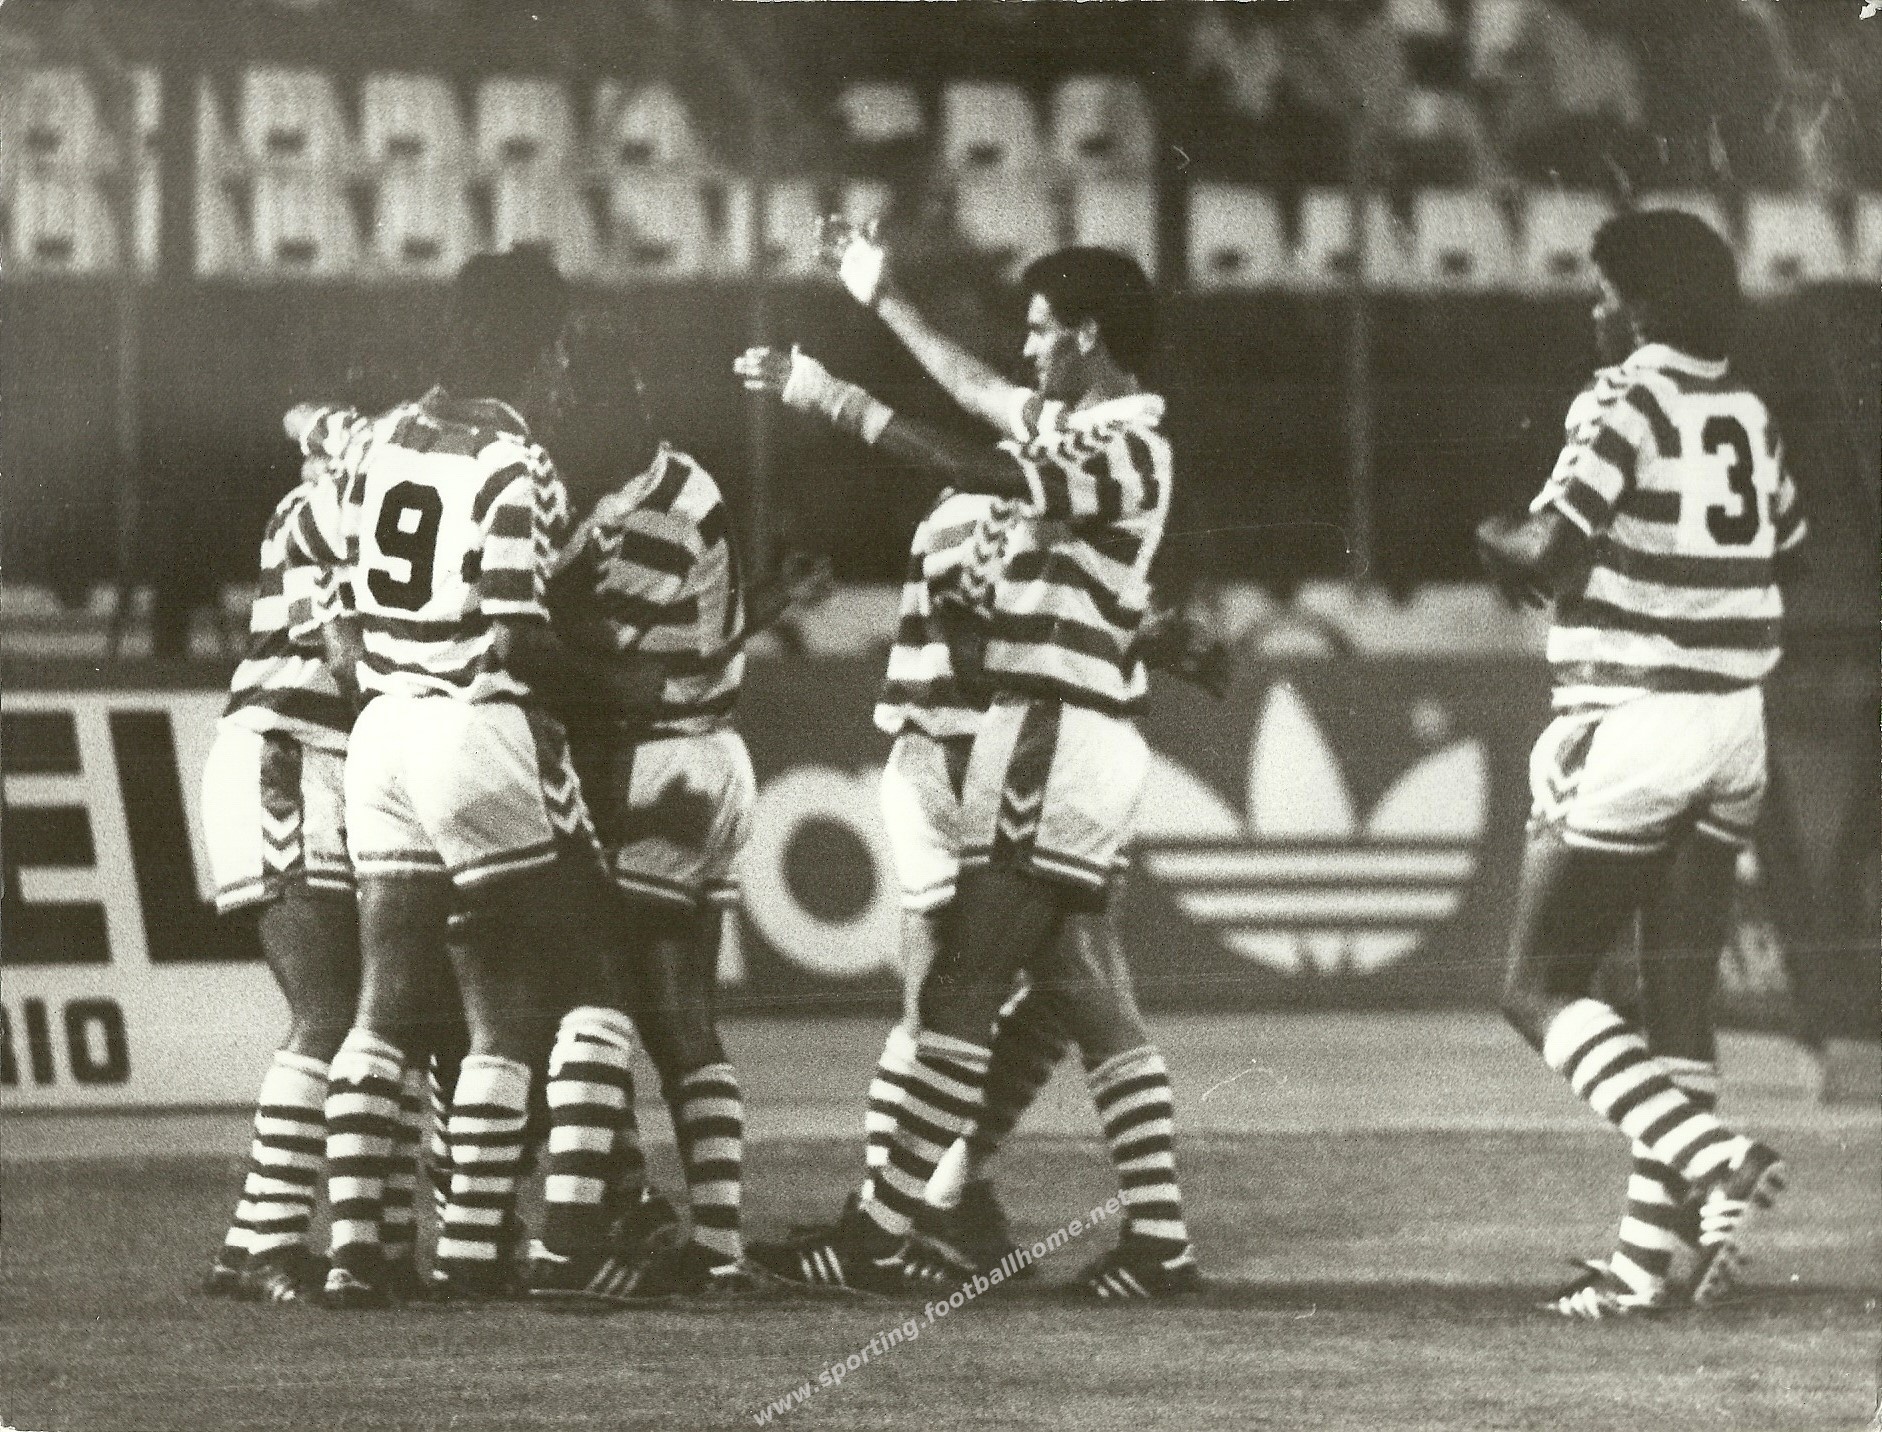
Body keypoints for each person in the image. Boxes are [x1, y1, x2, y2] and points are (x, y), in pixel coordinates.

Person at [738, 238, 1204, 1300]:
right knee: (1081, 991)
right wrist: (881, 296)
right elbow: (975, 389)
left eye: (1041, 330)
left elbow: (979, 465)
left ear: (1087, 336)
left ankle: (880, 1233)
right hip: (1063, 732)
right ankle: (1156, 1242)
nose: (1026, 351)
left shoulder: (1125, 447)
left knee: (961, 990)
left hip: (1051, 736)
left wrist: (837, 400)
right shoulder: (1090, 430)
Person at [1476, 209, 1807, 1319]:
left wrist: (1491, 539)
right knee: (1677, 995)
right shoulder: (1747, 411)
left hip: (1634, 718)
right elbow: (1789, 546)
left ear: (1648, 308)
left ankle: (1718, 1159)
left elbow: (1551, 548)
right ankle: (1641, 1266)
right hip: (1736, 721)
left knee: (1536, 987)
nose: (1595, 312)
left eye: (1607, 295)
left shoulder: (1623, 397)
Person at [299, 247, 636, 1307]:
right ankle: (550, 1248)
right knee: (586, 983)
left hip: (381, 735)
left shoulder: (382, 437)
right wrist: (619, 681)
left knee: (387, 1003)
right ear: (539, 346)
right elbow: (518, 631)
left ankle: (357, 1254)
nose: (565, 370)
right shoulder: (514, 459)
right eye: (561, 347)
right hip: (471, 726)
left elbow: (338, 610)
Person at [522, 319, 832, 1301]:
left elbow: (595, 663)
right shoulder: (681, 486)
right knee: (681, 1017)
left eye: (574, 394)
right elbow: (701, 632)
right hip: (707, 754)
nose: (560, 410)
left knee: (596, 996)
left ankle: (576, 1238)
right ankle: (714, 1243)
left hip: (657, 765)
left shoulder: (638, 515)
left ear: (621, 402)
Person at [198, 441, 360, 1304]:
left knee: (359, 1011)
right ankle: (270, 1247)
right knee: (328, 1011)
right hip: (288, 759)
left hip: (317, 760)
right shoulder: (323, 508)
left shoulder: (346, 499)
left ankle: (249, 1241)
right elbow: (340, 653)